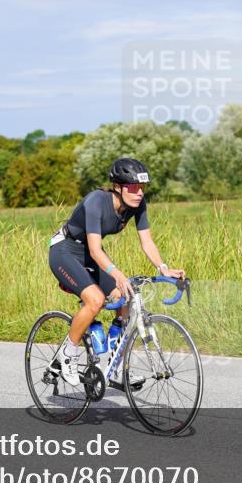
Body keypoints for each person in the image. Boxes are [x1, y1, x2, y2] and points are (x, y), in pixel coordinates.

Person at [48, 158, 185, 386]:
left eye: (142, 188)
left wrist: (163, 268)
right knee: (95, 299)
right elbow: (94, 248)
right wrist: (117, 274)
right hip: (65, 250)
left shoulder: (137, 205)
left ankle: (115, 364)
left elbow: (147, 241)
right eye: (133, 187)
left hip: (89, 254)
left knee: (123, 299)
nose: (139, 193)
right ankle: (67, 355)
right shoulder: (96, 202)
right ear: (118, 188)